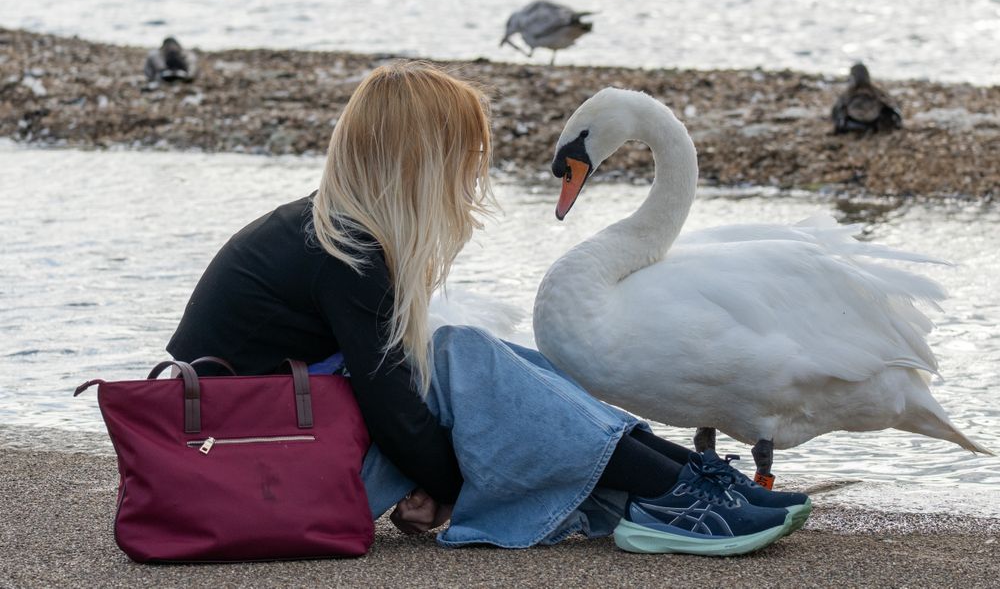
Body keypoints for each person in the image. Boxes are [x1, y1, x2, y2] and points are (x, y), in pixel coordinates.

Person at [167, 61, 810, 555]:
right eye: (466, 155)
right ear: (421, 161)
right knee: (461, 357)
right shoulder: (347, 252)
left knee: (470, 358)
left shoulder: (328, 230)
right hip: (258, 477)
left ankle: (680, 480)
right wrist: (450, 490)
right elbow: (389, 404)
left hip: (272, 454)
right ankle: (672, 492)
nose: (475, 171)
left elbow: (383, 394)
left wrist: (438, 477)